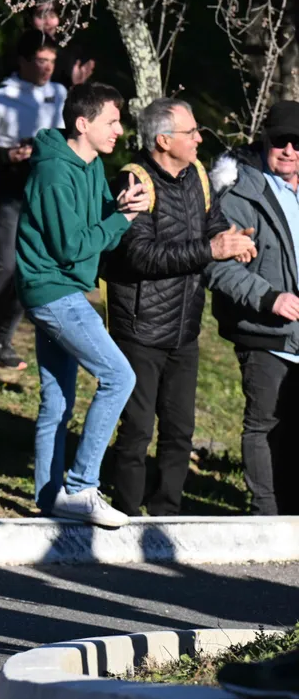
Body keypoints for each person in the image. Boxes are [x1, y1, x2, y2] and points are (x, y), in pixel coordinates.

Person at [102, 99, 256, 517]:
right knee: (136, 430)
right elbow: (141, 255)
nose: (199, 139)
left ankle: (168, 512)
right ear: (164, 139)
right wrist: (210, 249)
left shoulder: (198, 176)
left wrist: (232, 239)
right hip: (141, 327)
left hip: (185, 327)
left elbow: (212, 225)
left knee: (180, 431)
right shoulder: (133, 180)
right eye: (192, 133)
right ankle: (126, 512)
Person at [16, 82, 149, 527]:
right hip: (52, 291)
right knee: (119, 376)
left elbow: (92, 218)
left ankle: (50, 496)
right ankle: (81, 487)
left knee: (56, 401)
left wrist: (118, 205)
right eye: (111, 121)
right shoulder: (54, 172)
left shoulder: (90, 164)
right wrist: (123, 219)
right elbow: (71, 245)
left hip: (62, 288)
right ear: (82, 123)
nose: (119, 130)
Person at [207, 100, 299, 516]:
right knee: (264, 424)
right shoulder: (239, 191)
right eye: (282, 141)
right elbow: (217, 265)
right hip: (265, 329)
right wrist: (270, 298)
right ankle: (267, 515)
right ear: (266, 139)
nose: (290, 150)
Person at [0, 29, 67, 370]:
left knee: (33, 266)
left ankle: (3, 339)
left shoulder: (59, 93)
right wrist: (10, 155)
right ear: (24, 61)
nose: (47, 68)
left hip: (43, 190)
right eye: (41, 61)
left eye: (52, 62)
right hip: (9, 189)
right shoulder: (3, 96)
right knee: (8, 264)